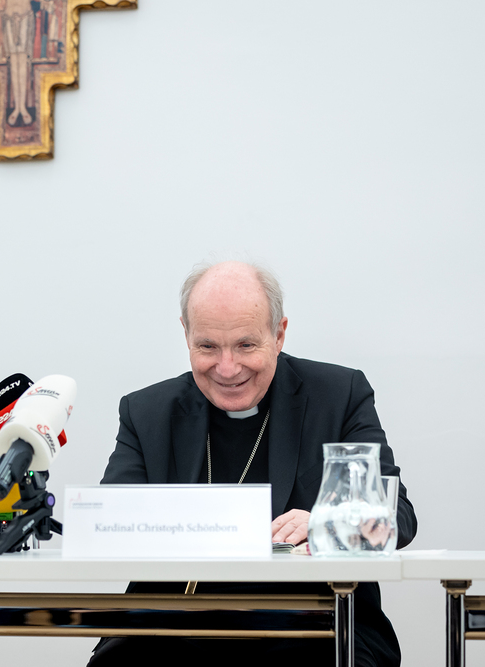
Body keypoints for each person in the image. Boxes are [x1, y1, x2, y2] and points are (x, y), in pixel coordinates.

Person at [91, 260, 417, 667]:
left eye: (246, 345)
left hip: (315, 622)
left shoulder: (338, 396)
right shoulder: (147, 411)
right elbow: (111, 524)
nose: (227, 368)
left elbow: (398, 517)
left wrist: (326, 524)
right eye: (207, 347)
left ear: (278, 334)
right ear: (186, 334)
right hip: (175, 623)